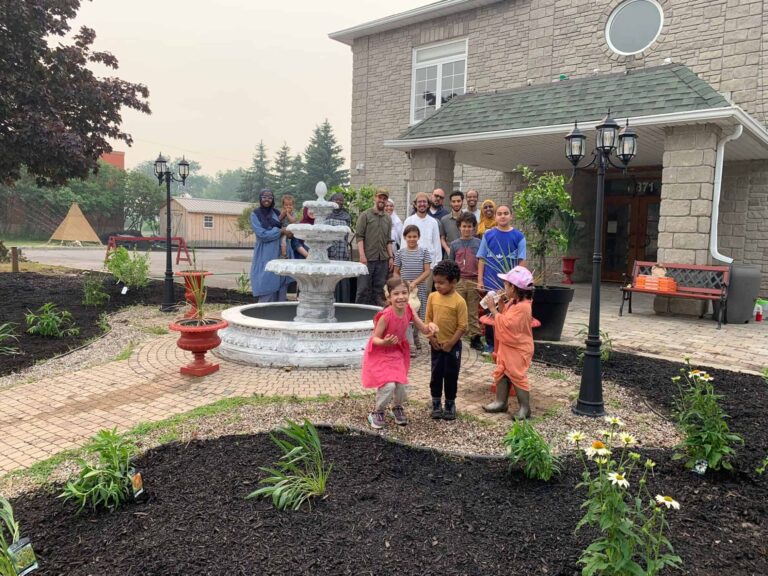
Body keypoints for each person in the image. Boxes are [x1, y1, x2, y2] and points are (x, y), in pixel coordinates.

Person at [361, 276, 438, 429]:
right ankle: (377, 411)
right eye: (396, 294)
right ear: (389, 296)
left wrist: (431, 326)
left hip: (397, 352)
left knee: (401, 383)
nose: (401, 297)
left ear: (409, 294)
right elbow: (374, 339)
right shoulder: (386, 315)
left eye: (404, 292)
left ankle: (397, 407)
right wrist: (385, 342)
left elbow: (423, 329)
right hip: (382, 352)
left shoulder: (409, 309)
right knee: (389, 385)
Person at [482, 266, 534, 420]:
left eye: (506, 284)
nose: (504, 287)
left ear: (514, 287)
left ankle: (525, 408)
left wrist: (493, 309)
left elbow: (507, 325)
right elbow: (506, 316)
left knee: (517, 376)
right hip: (509, 346)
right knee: (503, 372)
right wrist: (501, 304)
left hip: (518, 348)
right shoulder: (514, 302)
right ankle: (500, 402)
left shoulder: (523, 307)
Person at [477, 204, 527, 355]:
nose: (502, 216)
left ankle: (507, 343)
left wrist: (518, 283)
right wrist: (480, 280)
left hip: (511, 285)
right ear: (495, 216)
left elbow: (522, 260)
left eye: (506, 213)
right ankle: (490, 344)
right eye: (499, 213)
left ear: (511, 216)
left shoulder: (519, 236)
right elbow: (482, 258)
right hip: (490, 281)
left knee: (509, 313)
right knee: (490, 312)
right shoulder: (488, 235)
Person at [425, 260, 468, 421]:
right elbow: (428, 319)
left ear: (453, 282)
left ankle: (450, 403)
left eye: (441, 283)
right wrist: (432, 339)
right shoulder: (432, 297)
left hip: (452, 346)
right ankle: (436, 402)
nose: (437, 286)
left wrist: (450, 343)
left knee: (451, 375)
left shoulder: (459, 302)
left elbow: (462, 326)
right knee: (436, 374)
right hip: (436, 344)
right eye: (435, 282)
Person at [394, 224, 432, 356]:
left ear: (418, 237)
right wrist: (402, 285)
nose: (412, 239)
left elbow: (427, 271)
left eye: (414, 236)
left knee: (418, 315)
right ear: (405, 237)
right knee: (405, 314)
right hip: (405, 290)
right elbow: (396, 272)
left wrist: (415, 282)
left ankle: (415, 337)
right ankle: (407, 341)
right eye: (409, 236)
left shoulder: (424, 252)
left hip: (419, 288)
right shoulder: (400, 253)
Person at [449, 212, 482, 351]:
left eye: (469, 226)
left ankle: (475, 337)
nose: (467, 229)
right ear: (459, 227)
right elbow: (451, 263)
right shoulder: (454, 244)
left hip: (473, 280)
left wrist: (480, 279)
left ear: (474, 227)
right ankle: (456, 336)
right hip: (459, 281)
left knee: (473, 310)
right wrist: (452, 282)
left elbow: (482, 261)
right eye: (464, 226)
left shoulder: (478, 243)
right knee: (457, 309)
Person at [250, 189, 291, 302]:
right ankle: (264, 311)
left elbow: (286, 228)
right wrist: (280, 231)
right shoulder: (256, 214)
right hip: (265, 253)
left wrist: (288, 232)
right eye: (264, 197)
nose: (267, 199)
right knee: (266, 282)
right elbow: (262, 235)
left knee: (281, 283)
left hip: (280, 253)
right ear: (260, 198)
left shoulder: (277, 213)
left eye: (270, 197)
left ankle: (279, 311)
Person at [355, 189, 394, 306]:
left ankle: (377, 315)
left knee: (379, 291)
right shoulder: (365, 215)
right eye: (379, 197)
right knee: (363, 289)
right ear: (375, 198)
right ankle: (358, 313)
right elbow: (359, 237)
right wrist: (362, 256)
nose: (382, 200)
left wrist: (391, 257)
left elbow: (388, 240)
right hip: (367, 259)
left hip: (382, 260)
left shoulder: (388, 219)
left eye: (384, 198)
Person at [402, 192, 442, 277]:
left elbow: (437, 244)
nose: (422, 204)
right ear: (415, 204)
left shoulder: (433, 222)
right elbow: (403, 242)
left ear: (428, 204)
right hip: (411, 264)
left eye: (424, 202)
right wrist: (403, 261)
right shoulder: (409, 221)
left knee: (426, 286)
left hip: (429, 265)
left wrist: (437, 264)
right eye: (419, 202)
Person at [327, 192, 353, 303]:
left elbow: (347, 235)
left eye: (341, 200)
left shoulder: (346, 216)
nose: (339, 202)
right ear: (331, 201)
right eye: (336, 199)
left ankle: (342, 302)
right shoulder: (326, 214)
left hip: (342, 251)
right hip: (328, 251)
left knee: (341, 276)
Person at [440, 190, 464, 256]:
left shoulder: (467, 218)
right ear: (450, 203)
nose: (456, 204)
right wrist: (447, 249)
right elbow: (442, 238)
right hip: (449, 255)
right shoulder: (444, 219)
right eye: (453, 201)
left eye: (458, 201)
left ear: (462, 201)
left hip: (465, 254)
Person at [278, 194, 297, 258]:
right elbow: (278, 220)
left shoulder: (293, 213)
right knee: (283, 241)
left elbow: (293, 221)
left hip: (290, 230)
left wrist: (288, 214)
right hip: (283, 230)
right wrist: (283, 214)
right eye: (286, 205)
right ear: (283, 205)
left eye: (290, 205)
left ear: (293, 205)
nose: (288, 206)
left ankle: (286, 254)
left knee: (289, 242)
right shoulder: (282, 212)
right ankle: (284, 254)